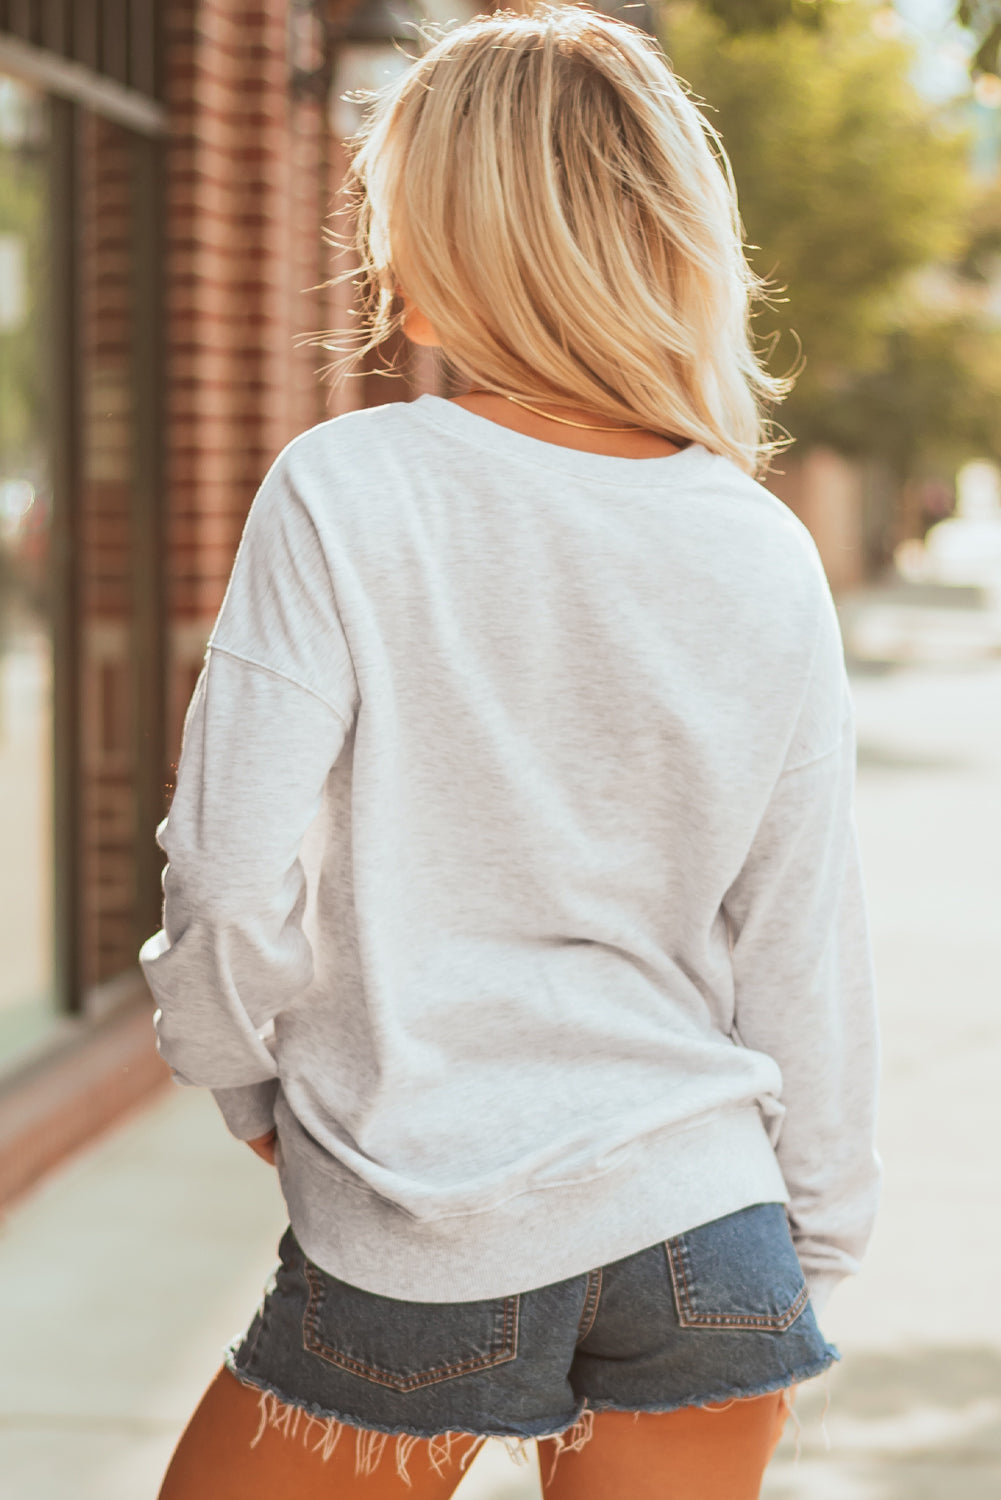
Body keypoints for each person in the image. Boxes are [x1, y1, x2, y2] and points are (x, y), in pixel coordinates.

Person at [142, 7, 881, 1498]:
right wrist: (807, 1242)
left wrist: (240, 1078)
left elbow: (227, 883)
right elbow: (804, 934)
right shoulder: (759, 545)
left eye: (391, 209)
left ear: (459, 239)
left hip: (421, 1224)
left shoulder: (349, 488)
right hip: (706, 1227)